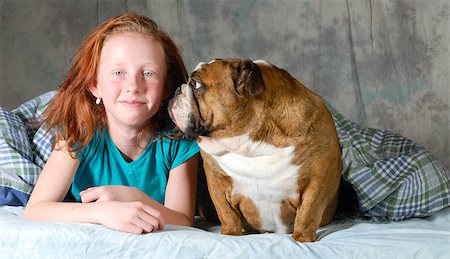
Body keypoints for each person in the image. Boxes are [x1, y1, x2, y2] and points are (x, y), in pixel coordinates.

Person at [23, 13, 200, 234]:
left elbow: (183, 219)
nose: (133, 86)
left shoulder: (178, 140)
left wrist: (136, 198)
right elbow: (36, 209)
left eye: (148, 73)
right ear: (95, 85)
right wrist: (101, 212)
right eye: (118, 73)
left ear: (166, 87)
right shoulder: (79, 134)